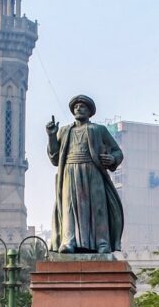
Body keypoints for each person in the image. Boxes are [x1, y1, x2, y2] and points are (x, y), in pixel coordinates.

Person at [46, 95, 124, 254]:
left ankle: (102, 242)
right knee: (69, 207)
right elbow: (54, 158)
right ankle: (69, 242)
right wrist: (51, 136)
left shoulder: (98, 129)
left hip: (93, 171)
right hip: (69, 172)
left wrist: (112, 158)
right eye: (76, 107)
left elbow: (117, 151)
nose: (78, 108)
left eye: (82, 106)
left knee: (98, 207)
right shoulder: (64, 131)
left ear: (89, 111)